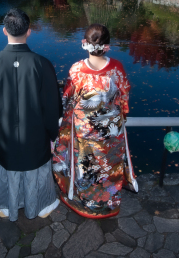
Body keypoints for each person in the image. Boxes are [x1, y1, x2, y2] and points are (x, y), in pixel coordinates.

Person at [0, 8, 62, 221]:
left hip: (4, 133)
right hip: (36, 132)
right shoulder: (42, 64)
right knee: (38, 168)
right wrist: (53, 132)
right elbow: (53, 105)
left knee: (8, 169)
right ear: (29, 31)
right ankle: (42, 206)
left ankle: (7, 206)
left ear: (4, 31)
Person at [52, 23, 133, 218]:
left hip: (85, 131)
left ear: (85, 44)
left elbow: (67, 99)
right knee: (108, 165)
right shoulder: (116, 68)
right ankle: (109, 202)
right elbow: (124, 97)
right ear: (107, 45)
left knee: (86, 167)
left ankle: (86, 202)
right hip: (110, 131)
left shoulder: (77, 70)